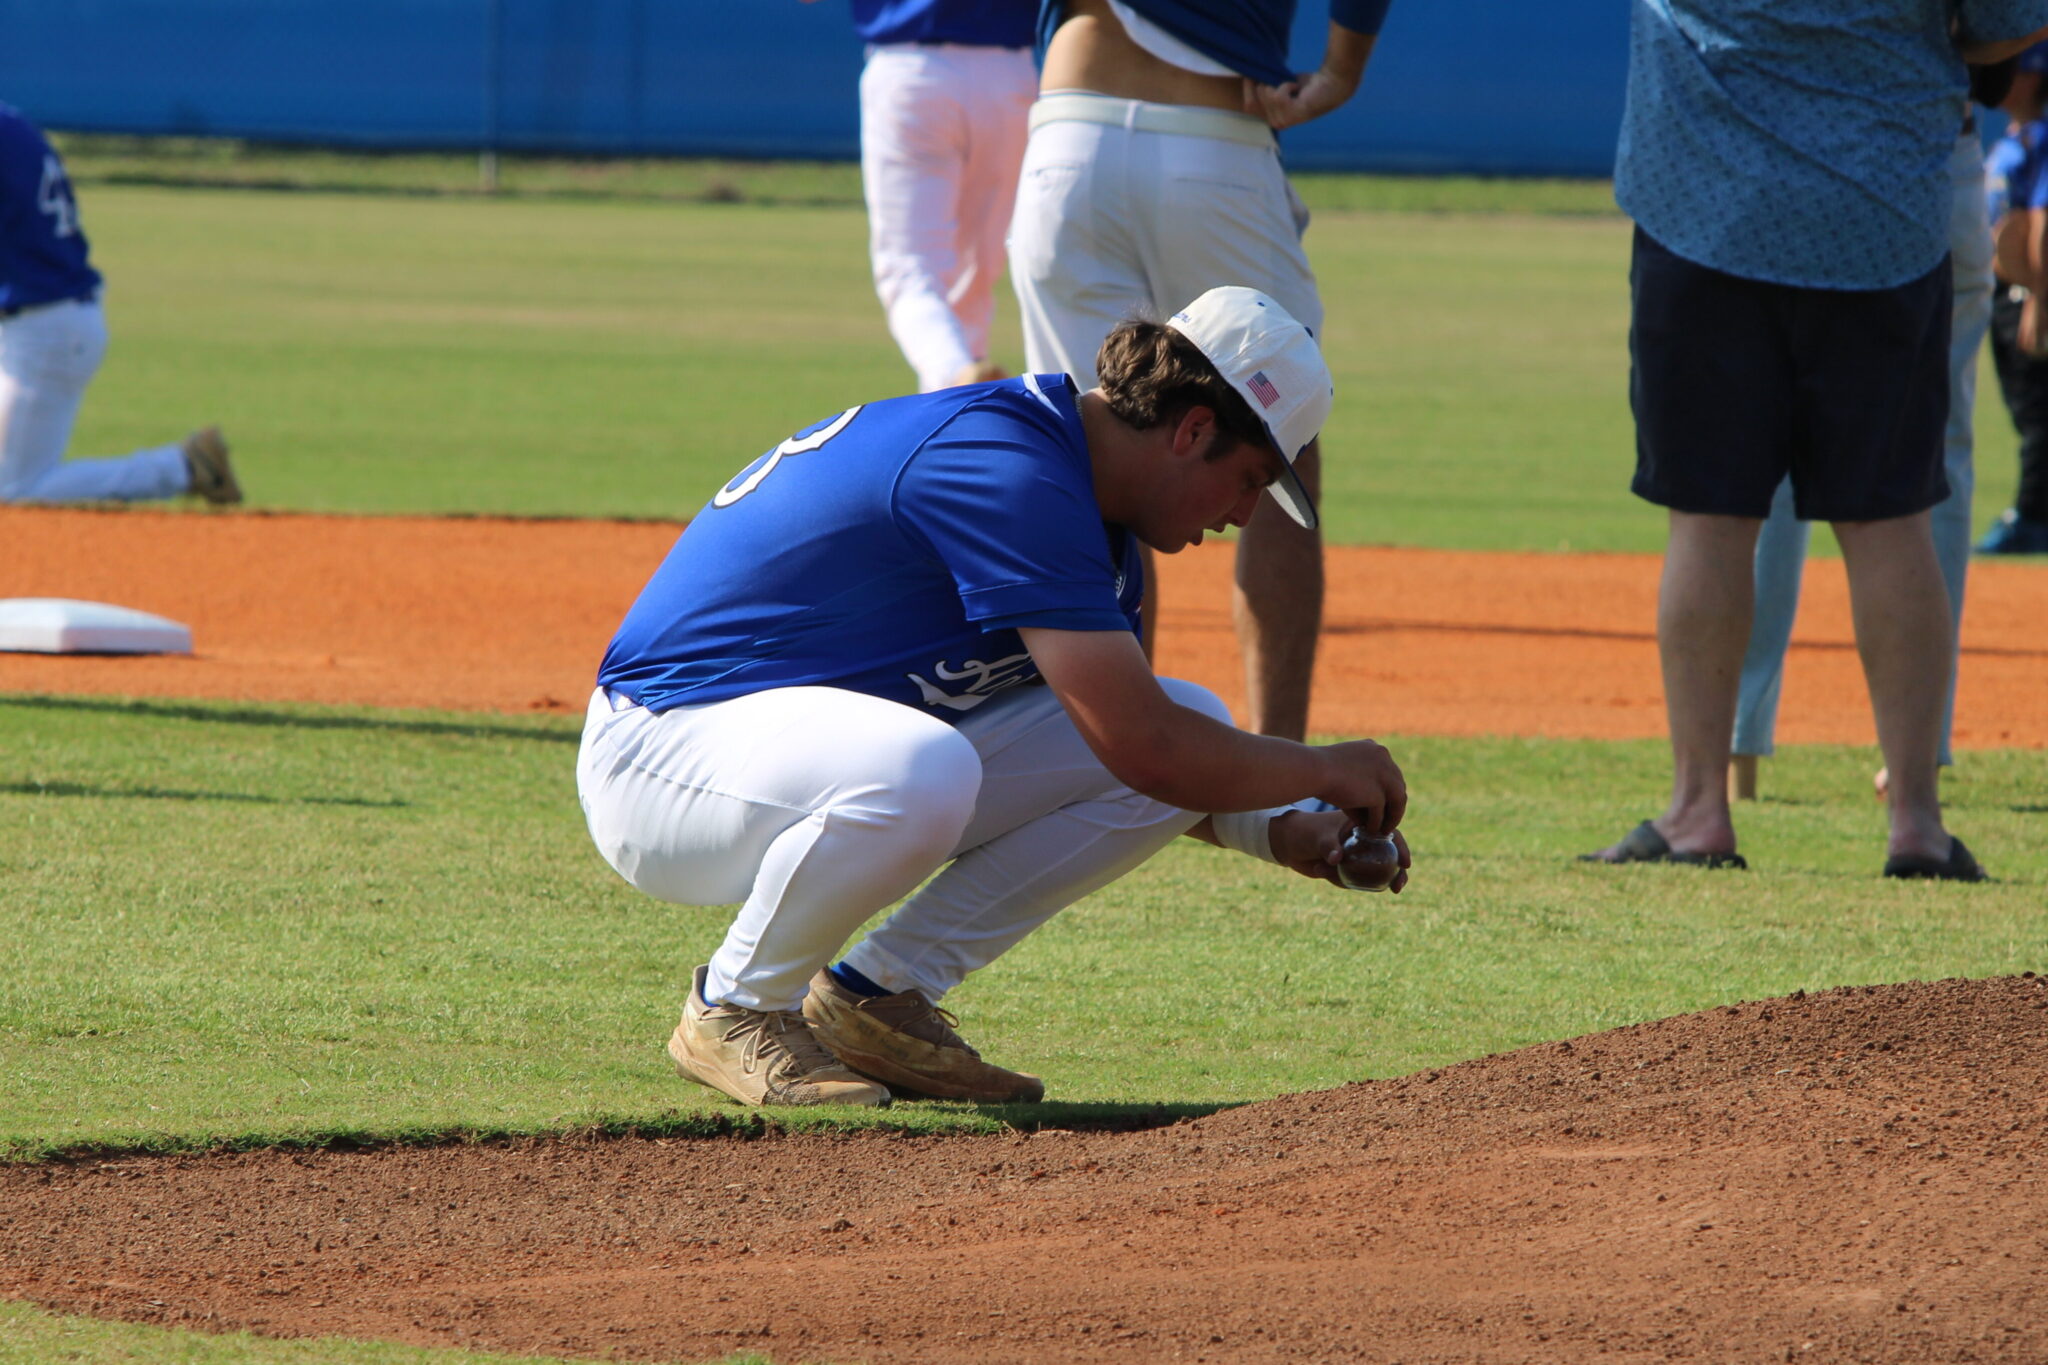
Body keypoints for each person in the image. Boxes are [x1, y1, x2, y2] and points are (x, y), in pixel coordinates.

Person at [577, 287, 1410, 1108]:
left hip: (780, 752)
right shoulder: (1008, 472)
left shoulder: (1087, 509)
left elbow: (1136, 754)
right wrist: (1326, 768)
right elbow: (1144, 747)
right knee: (925, 769)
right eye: (1249, 478)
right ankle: (736, 1004)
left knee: (1184, 712)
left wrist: (1279, 828)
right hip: (663, 752)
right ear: (1193, 430)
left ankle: (877, 997)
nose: (1241, 513)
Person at [1584, 0, 2048, 881]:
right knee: (1891, 519)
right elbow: (2009, 20)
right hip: (1879, 211)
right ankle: (1915, 820)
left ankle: (1698, 809)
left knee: (1710, 516)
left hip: (1705, 206)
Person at [1006, 0, 1394, 741]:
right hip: (1210, 133)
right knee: (1278, 446)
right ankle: (1279, 772)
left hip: (1070, 131)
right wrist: (1341, 72)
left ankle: (1107, 766)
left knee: (1087, 454)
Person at [1728, 97, 2003, 801]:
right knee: (1934, 464)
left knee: (1767, 458)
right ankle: (1914, 766)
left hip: (1783, 158)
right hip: (1930, 159)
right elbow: (2005, 42)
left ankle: (1732, 759)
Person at [0, 103, 238, 506]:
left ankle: (183, 467)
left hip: (43, 329)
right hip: (41, 315)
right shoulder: (10, 122)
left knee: (12, 489)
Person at [803, 0, 1038, 394]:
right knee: (977, 272)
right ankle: (964, 402)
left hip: (912, 70)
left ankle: (958, 376)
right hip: (1010, 76)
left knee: (911, 269)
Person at [1978, 44, 2048, 555]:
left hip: (2031, 292)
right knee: (2022, 405)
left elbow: (2041, 223)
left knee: (2037, 410)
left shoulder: (2043, 138)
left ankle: (2034, 515)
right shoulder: (2013, 136)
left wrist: (2040, 299)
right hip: (2003, 291)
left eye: (2020, 69)